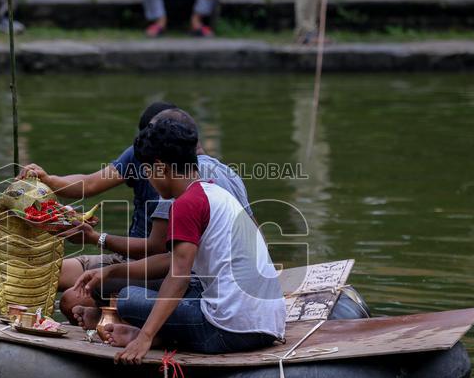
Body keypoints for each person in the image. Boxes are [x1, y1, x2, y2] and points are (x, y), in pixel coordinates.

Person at [75, 118, 285, 364]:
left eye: (147, 172)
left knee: (128, 297)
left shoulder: (186, 205)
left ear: (160, 167)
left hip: (229, 331)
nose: (149, 181)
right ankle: (156, 334)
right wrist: (111, 271)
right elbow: (171, 260)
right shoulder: (212, 192)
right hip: (267, 325)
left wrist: (145, 336)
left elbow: (178, 277)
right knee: (168, 290)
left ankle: (152, 335)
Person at [60, 107, 254, 325]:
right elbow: (256, 239)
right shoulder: (227, 174)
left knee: (111, 296)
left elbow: (166, 259)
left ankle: (118, 321)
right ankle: (115, 318)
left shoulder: (183, 190)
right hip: (238, 291)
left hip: (211, 298)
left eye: (149, 171)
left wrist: (145, 337)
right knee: (93, 282)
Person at [18, 101, 175, 292]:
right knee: (33, 277)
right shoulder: (139, 154)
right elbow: (90, 183)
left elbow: (157, 250)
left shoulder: (186, 182)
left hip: (158, 269)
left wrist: (95, 238)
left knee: (72, 298)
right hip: (125, 258)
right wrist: (49, 180)